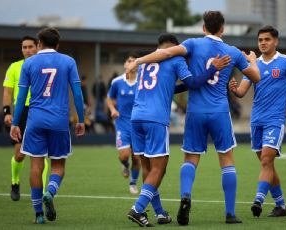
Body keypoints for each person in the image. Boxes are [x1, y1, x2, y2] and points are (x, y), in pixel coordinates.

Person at [129, 11, 261, 225]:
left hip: (195, 111)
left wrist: (140, 60)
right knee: (226, 160)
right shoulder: (233, 51)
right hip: (219, 111)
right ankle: (230, 213)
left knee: (190, 159)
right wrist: (252, 61)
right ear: (223, 28)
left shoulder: (192, 44)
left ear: (203, 27)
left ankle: (185, 197)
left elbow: (164, 54)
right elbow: (256, 77)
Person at [126, 33, 231, 227]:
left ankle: (159, 213)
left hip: (136, 118)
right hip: (155, 119)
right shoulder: (176, 58)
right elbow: (193, 83)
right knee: (160, 168)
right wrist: (212, 69)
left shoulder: (147, 61)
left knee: (148, 168)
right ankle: (137, 209)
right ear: (174, 47)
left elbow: (165, 88)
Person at [229, 26, 286, 218]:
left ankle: (258, 200)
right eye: (260, 40)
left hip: (275, 120)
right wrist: (234, 89)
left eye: (267, 39)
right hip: (256, 120)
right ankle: (281, 206)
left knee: (267, 160)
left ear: (275, 41)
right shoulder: (253, 64)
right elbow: (243, 91)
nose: (263, 43)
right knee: (266, 165)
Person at [10, 27, 85, 224]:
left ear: (39, 44)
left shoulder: (29, 63)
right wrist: (81, 120)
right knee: (58, 165)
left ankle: (38, 215)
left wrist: (16, 123)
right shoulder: (68, 61)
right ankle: (50, 192)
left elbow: (21, 98)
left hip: (35, 121)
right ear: (58, 45)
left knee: (36, 166)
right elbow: (77, 94)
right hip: (59, 120)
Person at [2, 36, 49, 201]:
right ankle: (15, 182)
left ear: (37, 47)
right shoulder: (14, 67)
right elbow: (7, 91)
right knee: (20, 155)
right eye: (24, 47)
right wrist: (7, 111)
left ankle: (42, 193)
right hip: (22, 112)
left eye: (30, 47)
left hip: (41, 110)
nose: (27, 50)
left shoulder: (44, 65)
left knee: (41, 154)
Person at [107, 53, 141, 194]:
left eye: (134, 61)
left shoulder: (143, 82)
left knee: (137, 157)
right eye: (129, 60)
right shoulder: (117, 82)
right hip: (122, 123)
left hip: (139, 124)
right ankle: (125, 165)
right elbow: (109, 98)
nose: (131, 62)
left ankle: (133, 183)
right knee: (124, 156)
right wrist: (113, 109)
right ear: (125, 64)